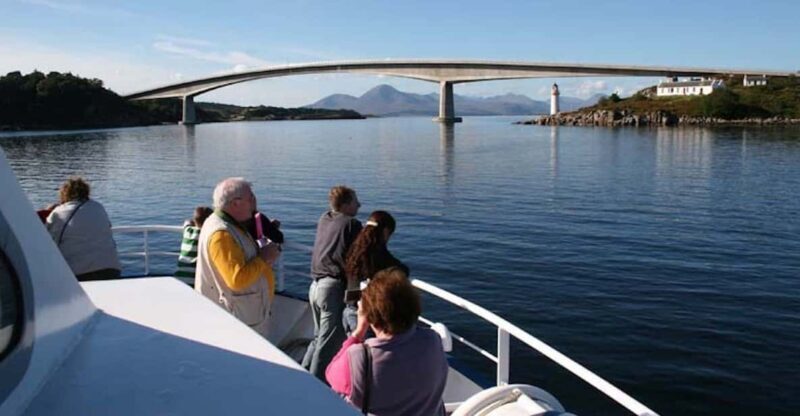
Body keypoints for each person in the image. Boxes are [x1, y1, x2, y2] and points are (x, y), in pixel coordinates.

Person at [326, 267, 448, 416]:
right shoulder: (432, 340)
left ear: (369, 315)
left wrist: (358, 332)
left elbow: (331, 375)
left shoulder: (359, 357)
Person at [195, 178, 281, 338]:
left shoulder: (230, 225)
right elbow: (236, 280)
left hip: (244, 315)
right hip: (240, 320)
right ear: (236, 203)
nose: (255, 203)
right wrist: (264, 257)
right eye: (251, 198)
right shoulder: (222, 234)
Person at [302, 185, 362, 380]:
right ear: (345, 204)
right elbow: (356, 258)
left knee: (319, 337)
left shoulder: (324, 218)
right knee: (328, 343)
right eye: (355, 201)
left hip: (315, 287)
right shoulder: (352, 224)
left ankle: (302, 372)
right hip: (332, 288)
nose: (359, 205)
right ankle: (314, 386)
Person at [342, 211, 408, 335]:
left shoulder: (354, 253)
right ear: (386, 232)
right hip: (366, 318)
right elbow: (400, 270)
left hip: (349, 310)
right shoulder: (381, 258)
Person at [46, 177, 122, 281]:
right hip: (111, 268)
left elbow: (48, 239)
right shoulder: (98, 207)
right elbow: (107, 226)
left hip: (78, 272)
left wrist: (50, 211)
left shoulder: (58, 213)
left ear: (64, 193)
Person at [175, 206, 213, 284]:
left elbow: (187, 223)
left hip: (180, 278)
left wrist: (192, 222)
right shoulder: (208, 234)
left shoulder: (188, 231)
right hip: (196, 279)